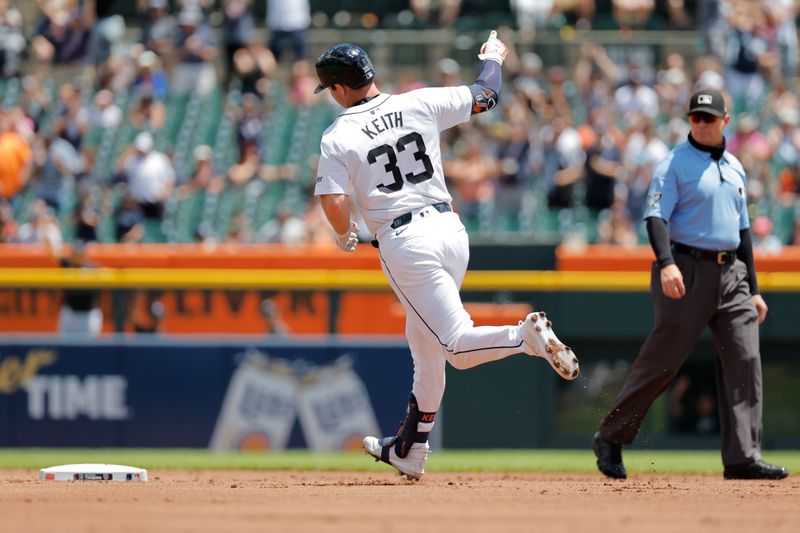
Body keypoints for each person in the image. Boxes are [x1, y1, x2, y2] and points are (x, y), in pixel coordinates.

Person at [312, 33, 580, 481]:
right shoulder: (420, 102)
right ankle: (410, 449)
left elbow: (334, 202)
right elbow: (487, 95)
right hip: (451, 231)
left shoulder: (339, 133)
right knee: (425, 345)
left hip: (406, 242)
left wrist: (344, 235)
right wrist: (492, 57)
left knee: (455, 345)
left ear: (338, 89)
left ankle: (524, 338)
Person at [592, 88, 789, 481]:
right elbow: (655, 218)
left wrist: (754, 288)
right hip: (686, 268)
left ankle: (743, 457)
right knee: (663, 363)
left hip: (732, 274)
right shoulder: (673, 164)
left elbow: (744, 232)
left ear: (725, 121)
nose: (701, 123)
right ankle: (610, 437)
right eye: (695, 117)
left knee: (746, 361)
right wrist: (666, 264)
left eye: (708, 117)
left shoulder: (735, 166)